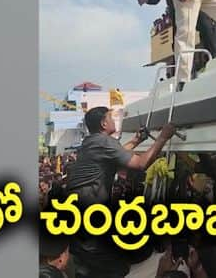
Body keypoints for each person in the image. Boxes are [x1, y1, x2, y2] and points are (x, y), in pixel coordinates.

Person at [65, 107, 176, 278]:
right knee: (116, 269)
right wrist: (163, 137)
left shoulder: (91, 142)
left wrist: (137, 140)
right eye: (111, 117)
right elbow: (140, 164)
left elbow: (116, 155)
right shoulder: (104, 142)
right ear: (103, 123)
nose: (113, 120)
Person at [138, 0, 216, 62]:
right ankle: (186, 72)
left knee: (208, 28)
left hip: (196, 6)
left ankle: (215, 61)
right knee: (180, 44)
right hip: (178, 14)